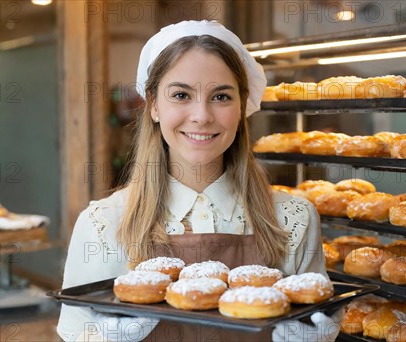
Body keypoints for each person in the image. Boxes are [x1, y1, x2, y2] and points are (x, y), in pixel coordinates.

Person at [57, 20, 338, 342]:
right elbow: (76, 332)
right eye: (181, 95)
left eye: (221, 97)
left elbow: (316, 315)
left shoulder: (296, 218)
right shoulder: (102, 223)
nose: (202, 115)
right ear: (153, 105)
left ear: (242, 104)